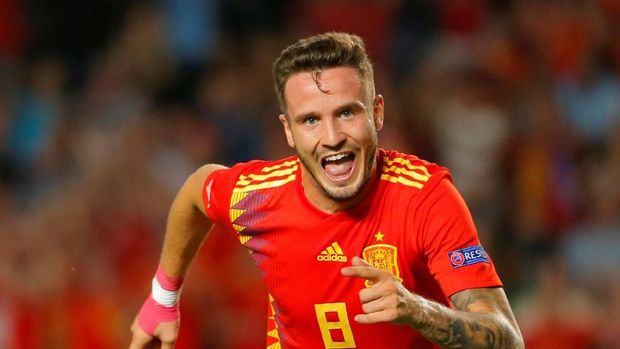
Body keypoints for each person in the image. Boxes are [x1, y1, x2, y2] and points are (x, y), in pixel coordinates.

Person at [129, 32, 524, 349]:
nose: (332, 137)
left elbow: (506, 337)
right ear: (288, 131)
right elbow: (197, 191)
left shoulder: (425, 198)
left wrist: (420, 311)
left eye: (346, 113)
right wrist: (163, 299)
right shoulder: (259, 197)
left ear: (378, 113)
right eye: (311, 120)